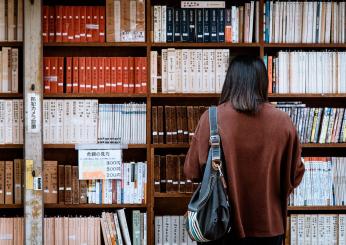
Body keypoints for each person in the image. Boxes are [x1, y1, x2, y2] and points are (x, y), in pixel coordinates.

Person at [184, 55, 305, 245]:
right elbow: (295, 176)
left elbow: (192, 172)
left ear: (230, 81)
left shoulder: (211, 118)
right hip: (269, 227)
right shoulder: (283, 122)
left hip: (219, 224)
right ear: (262, 81)